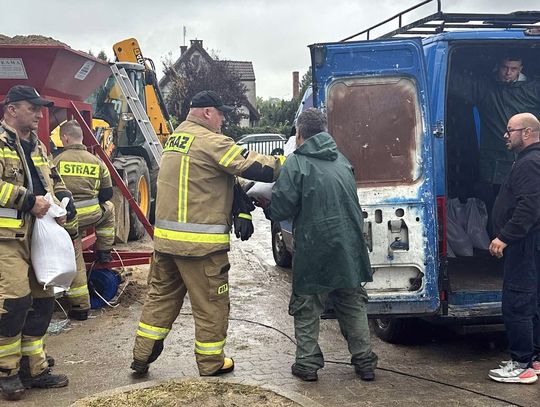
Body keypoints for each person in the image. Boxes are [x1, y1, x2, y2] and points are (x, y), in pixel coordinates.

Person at [131, 90, 284, 377]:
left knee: (160, 299)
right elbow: (250, 165)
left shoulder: (176, 139)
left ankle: (141, 356)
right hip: (200, 248)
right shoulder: (210, 140)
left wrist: (240, 207)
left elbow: (215, 177)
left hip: (166, 244)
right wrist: (286, 164)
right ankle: (211, 363)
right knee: (212, 305)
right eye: (221, 113)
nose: (224, 119)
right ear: (206, 112)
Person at [264, 108, 378, 382]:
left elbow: (281, 207)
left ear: (299, 133)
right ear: (325, 131)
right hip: (349, 246)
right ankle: (365, 362)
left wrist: (267, 204)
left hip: (315, 247)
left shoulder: (296, 163)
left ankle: (307, 364)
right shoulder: (342, 160)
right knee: (352, 303)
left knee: (307, 304)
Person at [0, 85, 70, 401]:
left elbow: (53, 180)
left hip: (38, 237)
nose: (39, 113)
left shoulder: (38, 146)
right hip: (6, 240)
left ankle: (34, 369)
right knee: (13, 304)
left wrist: (65, 199)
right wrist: (27, 200)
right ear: (12, 109)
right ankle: (7, 373)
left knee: (42, 302)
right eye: (33, 107)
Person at [451, 55, 540, 216]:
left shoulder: (534, 89)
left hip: (528, 161)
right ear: (497, 67)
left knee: (527, 209)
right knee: (497, 212)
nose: (508, 73)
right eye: (505, 68)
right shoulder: (486, 88)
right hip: (494, 168)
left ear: (521, 69)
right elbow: (455, 82)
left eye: (513, 69)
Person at [488, 113, 540, 384]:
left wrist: (504, 237)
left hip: (523, 245)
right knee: (532, 303)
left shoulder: (530, 163)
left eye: (510, 130)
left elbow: (529, 207)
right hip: (531, 244)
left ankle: (521, 365)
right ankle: (535, 359)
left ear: (527, 133)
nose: (506, 135)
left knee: (517, 303)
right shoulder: (530, 160)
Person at [53, 120, 115, 321]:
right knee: (110, 209)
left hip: (67, 220)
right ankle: (104, 251)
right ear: (82, 138)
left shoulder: (57, 161)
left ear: (65, 138)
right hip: (93, 216)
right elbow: (107, 194)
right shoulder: (97, 161)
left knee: (76, 259)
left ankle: (80, 307)